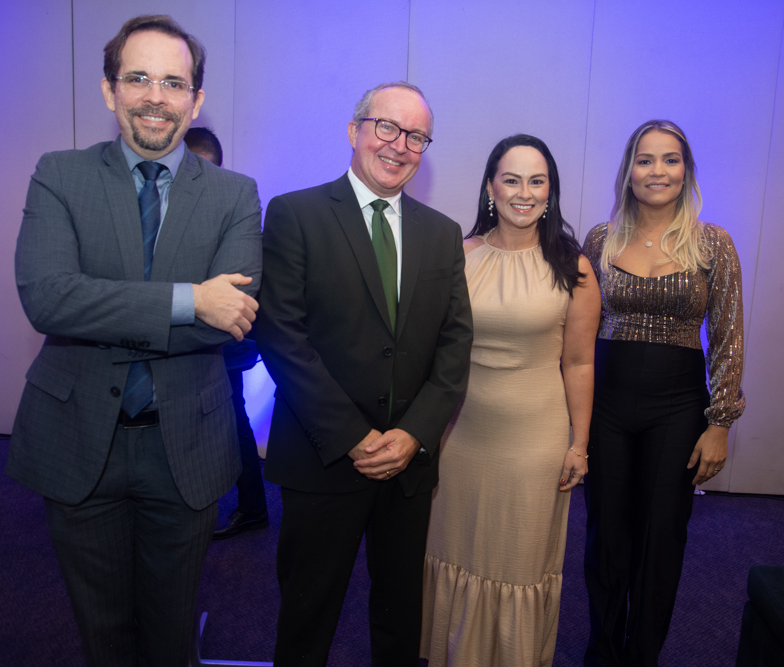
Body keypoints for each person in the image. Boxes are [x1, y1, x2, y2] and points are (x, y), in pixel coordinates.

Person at [9, 15, 262, 666]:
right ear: (109, 90)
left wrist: (100, 308)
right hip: (76, 437)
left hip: (185, 445)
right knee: (104, 635)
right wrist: (189, 299)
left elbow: (228, 318)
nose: (156, 95)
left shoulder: (236, 195)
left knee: (171, 633)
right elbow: (47, 298)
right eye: (139, 78)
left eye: (173, 82)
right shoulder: (59, 176)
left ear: (195, 99)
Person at [253, 82, 473, 666]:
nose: (400, 146)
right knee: (306, 617)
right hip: (322, 457)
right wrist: (354, 437)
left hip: (408, 464)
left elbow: (455, 346)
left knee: (401, 622)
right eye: (387, 128)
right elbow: (281, 335)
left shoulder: (442, 233)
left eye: (417, 136)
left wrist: (414, 433)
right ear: (355, 131)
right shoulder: (295, 214)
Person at [420, 135, 601, 666]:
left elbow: (580, 363)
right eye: (512, 179)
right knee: (453, 549)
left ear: (551, 192)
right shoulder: (460, 257)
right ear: (490, 187)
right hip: (460, 436)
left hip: (534, 440)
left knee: (517, 562)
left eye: (537, 180)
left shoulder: (575, 269)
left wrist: (580, 444)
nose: (524, 193)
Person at [581, 120, 745, 666]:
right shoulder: (601, 241)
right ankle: (602, 652)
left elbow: (728, 336)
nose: (658, 171)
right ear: (629, 173)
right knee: (605, 535)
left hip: (677, 409)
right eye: (645, 160)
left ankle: (642, 655)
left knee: (661, 538)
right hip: (605, 405)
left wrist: (720, 422)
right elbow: (576, 335)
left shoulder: (713, 244)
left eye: (670, 160)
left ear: (686, 171)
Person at [184, 126, 269, 539]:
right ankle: (249, 505)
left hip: (222, 346)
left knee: (232, 424)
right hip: (204, 345)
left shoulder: (230, 208)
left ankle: (252, 506)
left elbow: (236, 288)